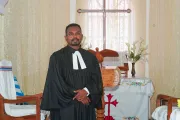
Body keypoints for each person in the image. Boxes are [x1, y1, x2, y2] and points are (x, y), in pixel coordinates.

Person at [40, 23, 103, 120]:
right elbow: (56, 82)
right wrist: (78, 95)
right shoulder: (56, 57)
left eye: (77, 33)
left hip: (86, 103)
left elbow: (96, 79)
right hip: (64, 104)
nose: (75, 36)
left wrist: (85, 91)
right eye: (71, 34)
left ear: (81, 36)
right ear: (66, 38)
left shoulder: (91, 58)